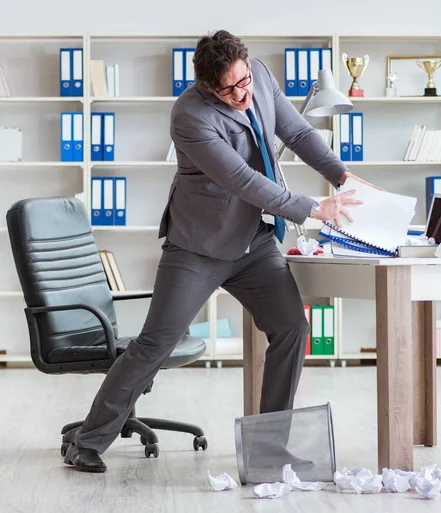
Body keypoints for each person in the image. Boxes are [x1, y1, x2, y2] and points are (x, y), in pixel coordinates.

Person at [64, 29, 377, 473]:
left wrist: (344, 177)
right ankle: (88, 440)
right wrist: (314, 209)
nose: (241, 93)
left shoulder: (259, 76)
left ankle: (269, 447)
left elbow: (300, 133)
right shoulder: (190, 115)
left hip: (255, 242)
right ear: (208, 86)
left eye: (244, 80)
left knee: (291, 328)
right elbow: (243, 181)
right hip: (199, 246)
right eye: (230, 88)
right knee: (156, 343)